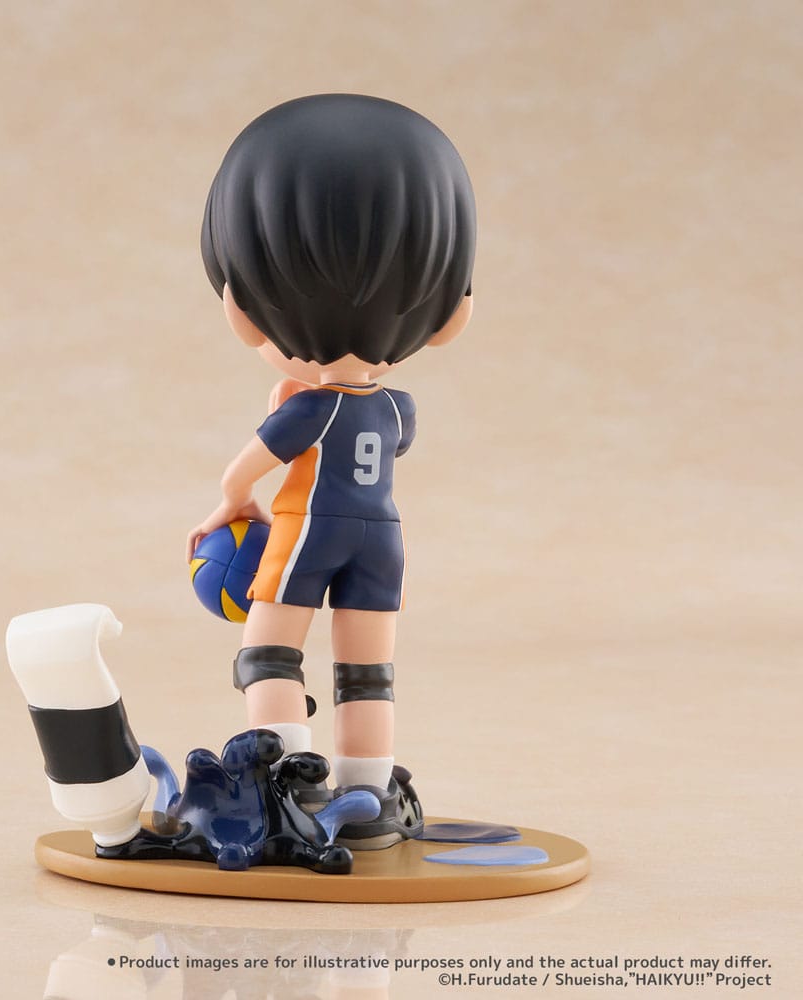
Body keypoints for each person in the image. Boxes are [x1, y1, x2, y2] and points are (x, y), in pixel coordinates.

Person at [187, 94, 476, 846]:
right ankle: (369, 793)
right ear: (453, 315)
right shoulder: (399, 410)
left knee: (269, 651)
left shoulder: (308, 411)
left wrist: (232, 502)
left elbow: (248, 468)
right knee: (366, 671)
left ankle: (285, 782)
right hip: (384, 543)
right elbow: (368, 447)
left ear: (240, 310)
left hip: (308, 530)